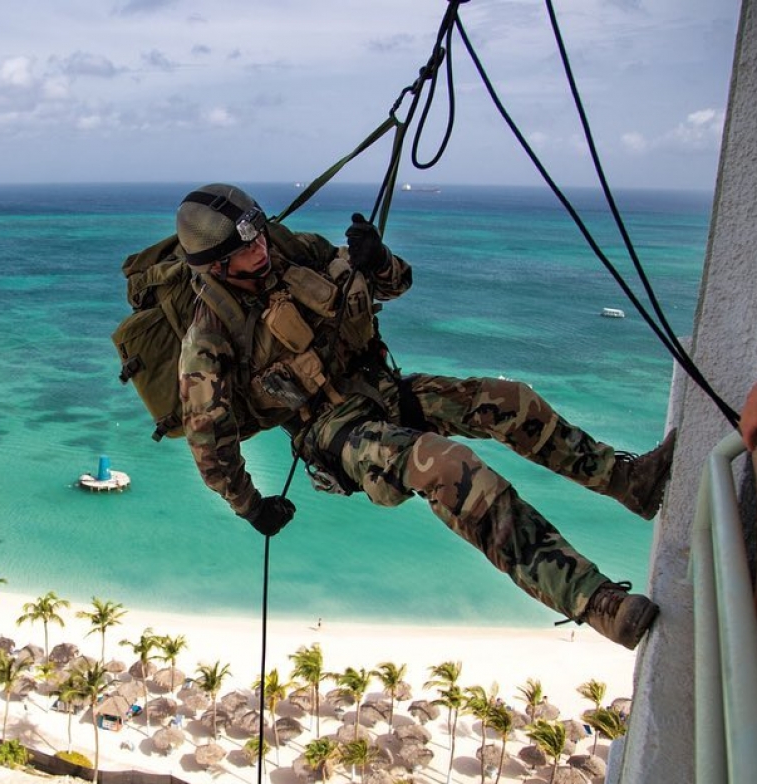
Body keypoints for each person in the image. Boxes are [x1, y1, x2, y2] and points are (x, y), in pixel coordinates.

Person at [175, 183, 676, 650]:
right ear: (217, 267)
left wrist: (378, 260)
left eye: (258, 234)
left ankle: (627, 481)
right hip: (332, 431)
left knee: (508, 401)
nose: (259, 248)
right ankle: (596, 602)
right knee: (450, 468)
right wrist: (249, 505)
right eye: (244, 248)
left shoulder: (296, 251)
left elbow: (398, 284)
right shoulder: (210, 335)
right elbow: (208, 443)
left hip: (382, 388)